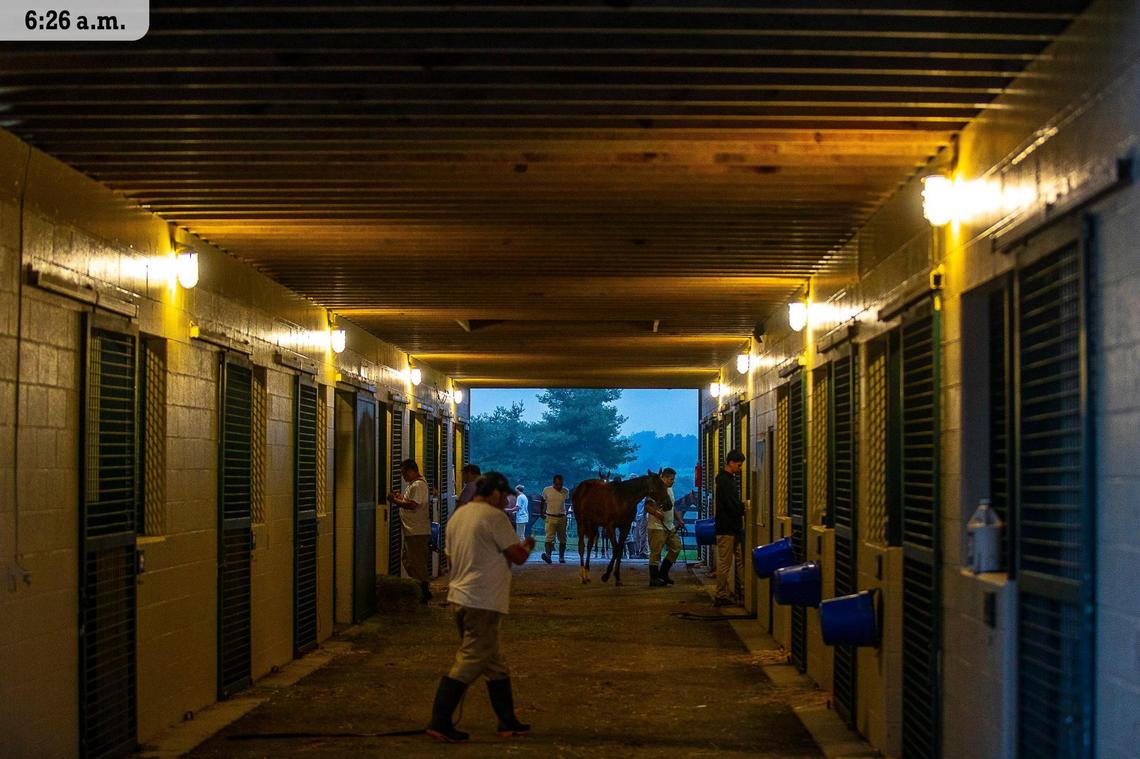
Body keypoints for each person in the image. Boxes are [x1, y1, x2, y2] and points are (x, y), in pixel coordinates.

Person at [427, 471, 535, 743]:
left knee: (495, 662)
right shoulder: (494, 517)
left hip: (461, 597)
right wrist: (529, 543)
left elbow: (450, 561)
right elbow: (519, 556)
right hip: (482, 601)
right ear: (495, 493)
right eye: (504, 496)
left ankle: (507, 721)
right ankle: (440, 720)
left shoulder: (458, 517)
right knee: (471, 658)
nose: (506, 501)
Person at [389, 458, 433, 603]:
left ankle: (423, 592)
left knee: (416, 563)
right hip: (412, 530)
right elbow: (410, 502)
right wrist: (401, 498)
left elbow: (413, 505)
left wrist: (395, 501)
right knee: (408, 560)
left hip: (417, 531)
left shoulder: (418, 485)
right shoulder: (414, 485)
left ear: (412, 471)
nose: (403, 476)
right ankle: (420, 589)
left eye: (404, 473)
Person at [714, 450, 746, 607]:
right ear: (731, 463)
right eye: (739, 465)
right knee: (726, 563)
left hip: (729, 527)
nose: (740, 468)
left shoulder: (723, 480)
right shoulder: (726, 482)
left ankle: (739, 590)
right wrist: (742, 509)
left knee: (735, 560)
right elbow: (731, 503)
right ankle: (721, 593)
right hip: (728, 528)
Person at [647, 467, 684, 587]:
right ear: (664, 477)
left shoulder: (670, 489)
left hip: (669, 525)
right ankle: (654, 578)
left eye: (673, 479)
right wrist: (656, 513)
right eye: (671, 479)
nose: (673, 481)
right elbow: (647, 507)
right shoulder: (656, 489)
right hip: (656, 526)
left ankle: (663, 573)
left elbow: (672, 507)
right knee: (656, 553)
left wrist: (679, 519)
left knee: (676, 546)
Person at [540, 474, 570, 564]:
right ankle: (548, 556)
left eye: (561, 484)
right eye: (557, 484)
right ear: (553, 483)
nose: (559, 486)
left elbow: (567, 502)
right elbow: (542, 501)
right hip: (550, 516)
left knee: (562, 538)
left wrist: (567, 512)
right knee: (549, 537)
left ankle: (561, 557)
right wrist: (541, 512)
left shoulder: (565, 491)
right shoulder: (546, 490)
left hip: (562, 517)